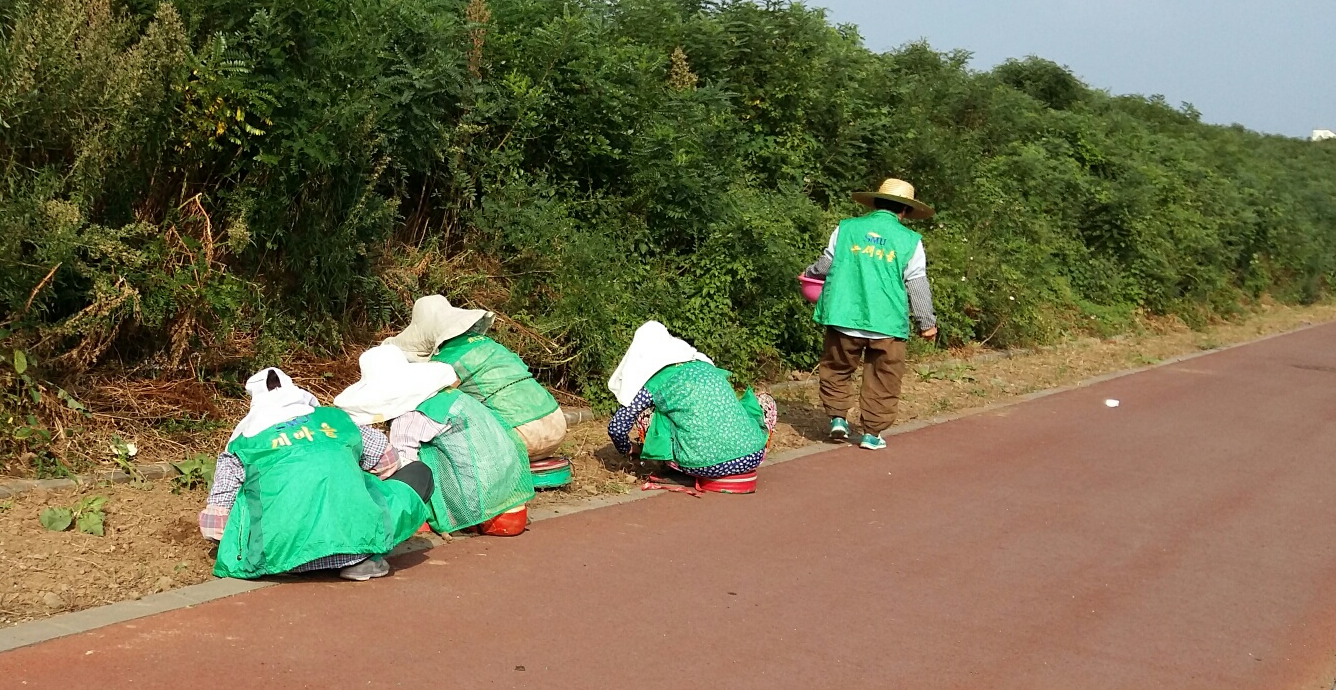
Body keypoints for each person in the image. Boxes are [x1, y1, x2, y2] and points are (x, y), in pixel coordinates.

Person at [201, 368, 435, 582]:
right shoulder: (337, 421)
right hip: (355, 546)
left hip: (277, 558)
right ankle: (364, 555)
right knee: (418, 473)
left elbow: (215, 528)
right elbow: (389, 462)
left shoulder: (243, 443)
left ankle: (306, 558)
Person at [337, 343, 536, 535]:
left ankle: (428, 519)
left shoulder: (409, 417)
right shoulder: (451, 395)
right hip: (507, 486)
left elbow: (402, 467)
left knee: (408, 469)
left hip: (477, 500)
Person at [802, 177, 938, 451]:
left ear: (875, 202)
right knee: (884, 377)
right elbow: (917, 282)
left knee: (837, 368)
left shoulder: (848, 228)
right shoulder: (910, 240)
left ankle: (838, 418)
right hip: (887, 322)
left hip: (843, 315)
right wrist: (927, 323)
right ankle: (871, 433)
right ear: (905, 211)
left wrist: (808, 274)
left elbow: (827, 263)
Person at [387, 295, 568, 459]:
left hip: (520, 436)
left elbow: (431, 403)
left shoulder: (446, 361)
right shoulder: (492, 344)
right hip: (557, 424)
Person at [606, 320, 777, 493]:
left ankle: (670, 468)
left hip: (703, 465)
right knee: (761, 400)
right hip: (753, 454)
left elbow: (617, 427)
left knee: (649, 413)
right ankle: (742, 447)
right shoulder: (704, 364)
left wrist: (630, 449)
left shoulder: (656, 381)